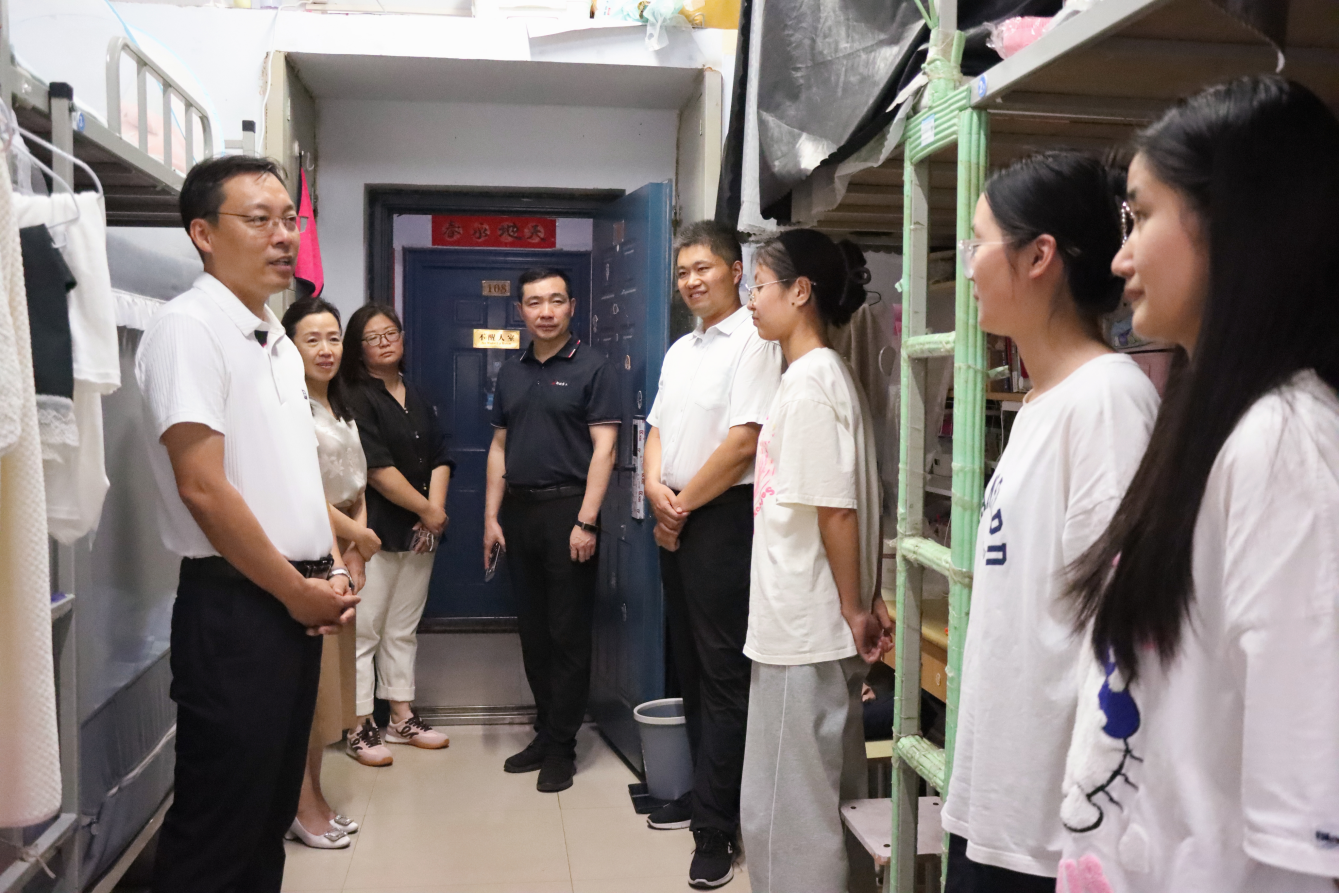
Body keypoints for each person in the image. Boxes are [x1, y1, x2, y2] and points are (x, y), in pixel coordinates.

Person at [1056, 75, 1339, 893]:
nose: (1119, 257)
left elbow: (1299, 838)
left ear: (1230, 225)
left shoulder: (1285, 446)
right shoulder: (1210, 420)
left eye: (1140, 217)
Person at [939, 152, 1161, 892]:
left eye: (976, 243)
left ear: (1038, 256)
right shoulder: (1043, 402)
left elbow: (1120, 639)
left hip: (1052, 831)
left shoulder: (1107, 402)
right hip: (1000, 802)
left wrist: (1089, 818)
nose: (968, 266)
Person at [137, 155, 358, 893]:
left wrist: (328, 569)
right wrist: (296, 593)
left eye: (288, 220)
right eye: (258, 220)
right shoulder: (189, 328)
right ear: (203, 233)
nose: (283, 236)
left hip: (293, 599)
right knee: (219, 827)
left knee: (267, 814)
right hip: (238, 605)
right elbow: (203, 487)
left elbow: (291, 473)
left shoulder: (274, 338)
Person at [739, 229, 890, 893]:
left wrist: (855, 607)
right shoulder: (830, 375)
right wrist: (864, 599)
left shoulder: (808, 383)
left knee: (785, 813)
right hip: (818, 624)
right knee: (831, 800)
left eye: (758, 285)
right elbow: (855, 500)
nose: (750, 300)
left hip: (801, 630)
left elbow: (836, 511)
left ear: (800, 291)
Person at [642, 221, 782, 888]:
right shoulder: (681, 349)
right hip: (676, 511)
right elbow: (657, 429)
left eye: (703, 268)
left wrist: (680, 507)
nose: (692, 281)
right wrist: (654, 490)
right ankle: (703, 796)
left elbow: (743, 443)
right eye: (683, 272)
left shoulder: (755, 340)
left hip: (722, 517)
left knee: (724, 674)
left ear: (734, 270)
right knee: (691, 668)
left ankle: (716, 827)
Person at [483, 268, 619, 793]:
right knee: (534, 633)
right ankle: (545, 731)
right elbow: (499, 447)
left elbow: (605, 450)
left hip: (569, 512)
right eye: (535, 302)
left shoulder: (593, 367)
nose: (545, 311)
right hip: (520, 512)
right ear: (520, 310)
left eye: (556, 300)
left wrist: (587, 520)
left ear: (571, 307)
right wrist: (491, 518)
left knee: (567, 633)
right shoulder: (511, 371)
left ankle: (563, 746)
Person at [281, 297, 383, 849]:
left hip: (341, 550)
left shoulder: (339, 403)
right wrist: (354, 542)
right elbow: (302, 492)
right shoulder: (289, 406)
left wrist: (357, 549)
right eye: (312, 339)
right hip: (310, 553)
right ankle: (300, 808)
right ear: (289, 345)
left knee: (330, 696)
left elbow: (356, 484)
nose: (326, 349)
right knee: (309, 694)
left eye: (334, 338)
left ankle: (315, 798)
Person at [340, 303, 453, 764]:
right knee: (365, 631)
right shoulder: (353, 396)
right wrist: (426, 509)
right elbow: (376, 469)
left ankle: (401, 717)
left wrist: (434, 513)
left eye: (391, 333)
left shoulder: (415, 391)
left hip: (421, 533)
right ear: (358, 347)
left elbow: (442, 454)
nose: (385, 342)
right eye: (373, 337)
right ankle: (359, 725)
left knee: (403, 629)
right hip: (376, 531)